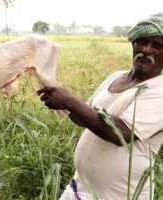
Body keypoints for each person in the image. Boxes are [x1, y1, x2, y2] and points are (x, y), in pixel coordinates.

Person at [38, 14, 163, 200]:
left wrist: (70, 101)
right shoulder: (115, 77)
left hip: (120, 196)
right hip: (79, 188)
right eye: (142, 42)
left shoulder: (159, 89)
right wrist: (61, 101)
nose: (146, 50)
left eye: (158, 46)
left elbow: (120, 133)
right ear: (133, 44)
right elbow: (84, 118)